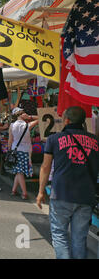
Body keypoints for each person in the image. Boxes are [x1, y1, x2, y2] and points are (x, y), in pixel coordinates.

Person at [37, 106, 99, 259]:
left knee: (59, 235)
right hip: (86, 196)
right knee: (79, 239)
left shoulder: (54, 139)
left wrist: (40, 191)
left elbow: (45, 167)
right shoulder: (95, 141)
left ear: (66, 120)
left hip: (61, 194)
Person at [8, 107, 39, 200]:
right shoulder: (28, 125)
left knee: (18, 171)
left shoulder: (12, 125)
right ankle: (24, 193)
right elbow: (41, 118)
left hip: (15, 150)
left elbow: (10, 140)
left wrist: (9, 150)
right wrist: (30, 117)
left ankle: (14, 190)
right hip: (25, 151)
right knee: (20, 172)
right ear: (21, 114)